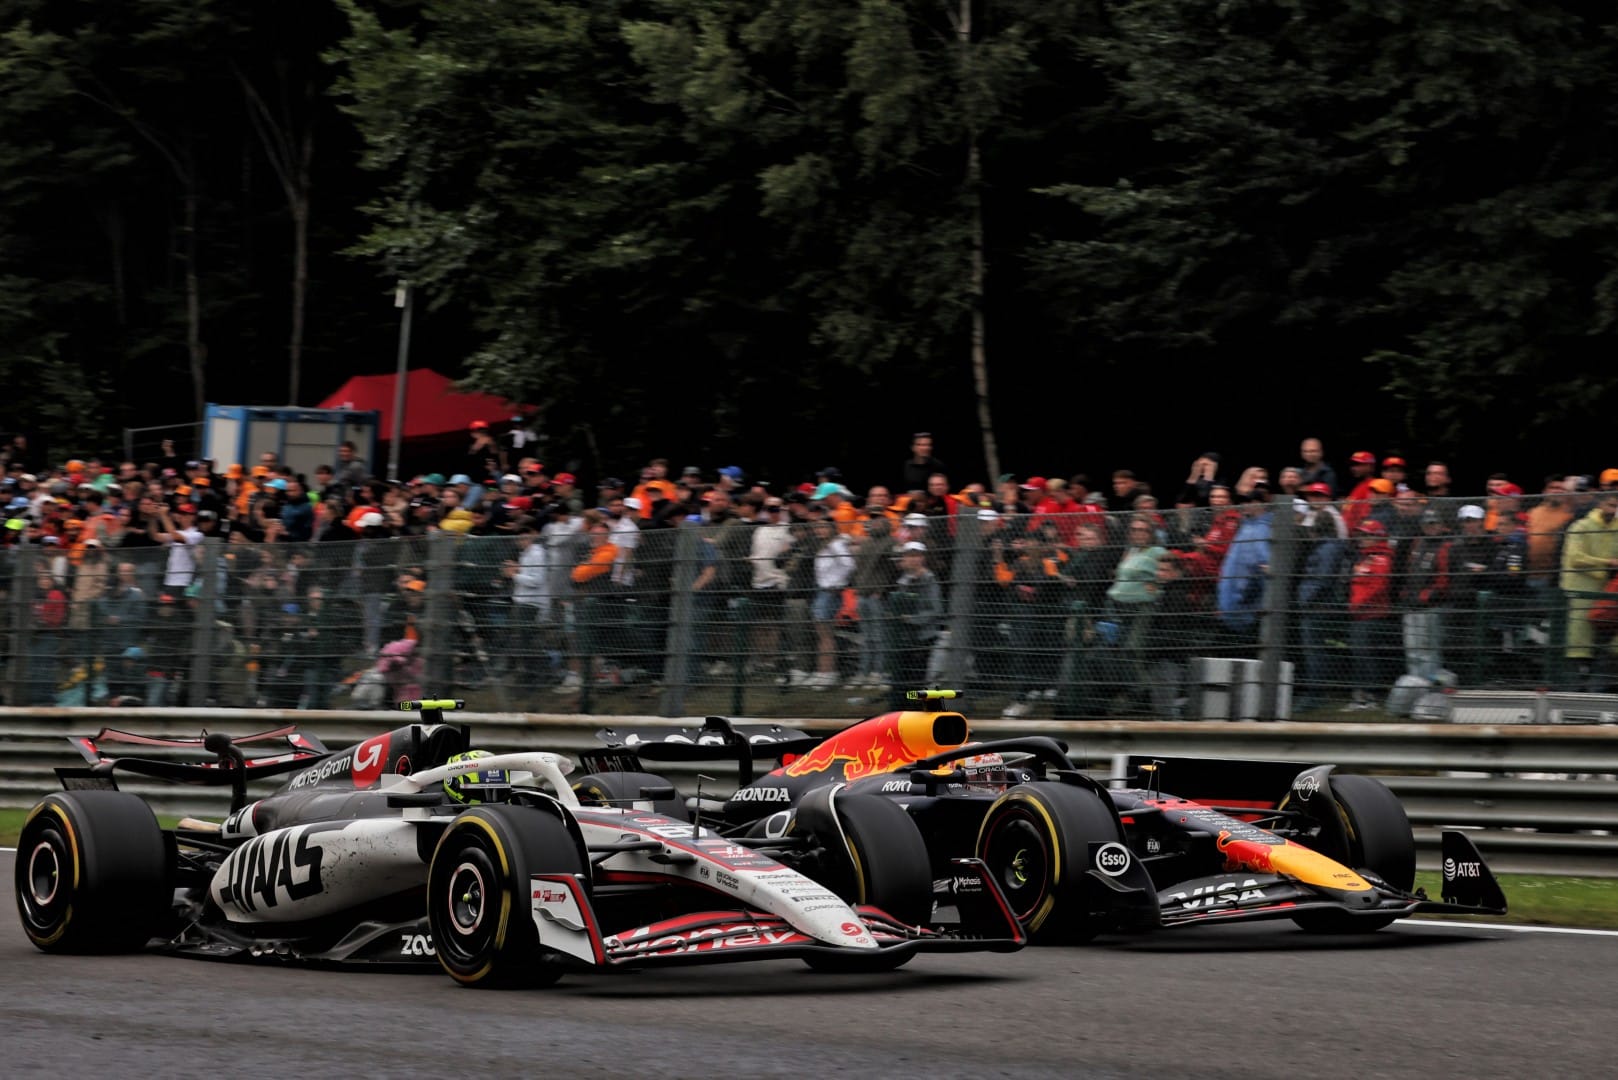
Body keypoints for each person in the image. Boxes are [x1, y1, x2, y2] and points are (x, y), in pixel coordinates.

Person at [1559, 491, 1618, 687]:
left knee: (1602, 632)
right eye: (1610, 504)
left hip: (1606, 589)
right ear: (1600, 504)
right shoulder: (1581, 527)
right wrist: (1607, 562)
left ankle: (1597, 679)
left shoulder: (1616, 528)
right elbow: (1575, 558)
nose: (1613, 509)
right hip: (1580, 588)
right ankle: (1576, 680)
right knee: (1579, 636)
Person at [1347, 519, 1396, 709]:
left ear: (1377, 537)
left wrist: (1358, 604)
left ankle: (1371, 696)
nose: (1361, 538)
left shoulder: (1381, 558)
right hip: (1359, 614)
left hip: (1371, 615)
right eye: (1361, 534)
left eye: (1366, 535)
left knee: (1366, 656)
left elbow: (1378, 586)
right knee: (1359, 655)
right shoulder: (1365, 557)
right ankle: (1361, 696)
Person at [887, 541, 943, 694]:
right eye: (909, 556)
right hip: (905, 635)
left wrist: (912, 618)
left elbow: (935, 610)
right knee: (903, 676)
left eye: (916, 555)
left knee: (918, 676)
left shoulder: (929, 579)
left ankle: (915, 703)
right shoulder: (903, 580)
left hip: (923, 636)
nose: (912, 559)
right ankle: (904, 702)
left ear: (922, 558)